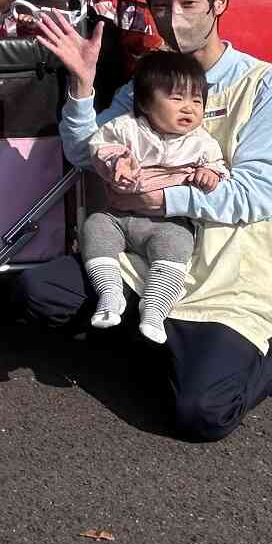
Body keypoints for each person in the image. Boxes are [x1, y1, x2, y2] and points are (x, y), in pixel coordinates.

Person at [19, 0, 272, 442]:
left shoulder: (267, 86)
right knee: (40, 292)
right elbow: (87, 153)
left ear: (219, 2)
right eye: (159, 4)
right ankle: (175, 341)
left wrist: (161, 200)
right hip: (149, 251)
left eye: (188, 3)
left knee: (201, 415)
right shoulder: (143, 86)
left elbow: (258, 194)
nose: (172, 18)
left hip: (230, 263)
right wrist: (82, 86)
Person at [79, 50, 228, 343]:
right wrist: (117, 161)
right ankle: (110, 293)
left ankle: (155, 309)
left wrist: (211, 173)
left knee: (178, 243)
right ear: (146, 102)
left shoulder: (200, 142)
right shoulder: (127, 127)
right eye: (177, 98)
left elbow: (217, 166)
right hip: (118, 216)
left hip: (166, 221)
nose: (189, 108)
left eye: (196, 100)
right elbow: (100, 144)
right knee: (94, 227)